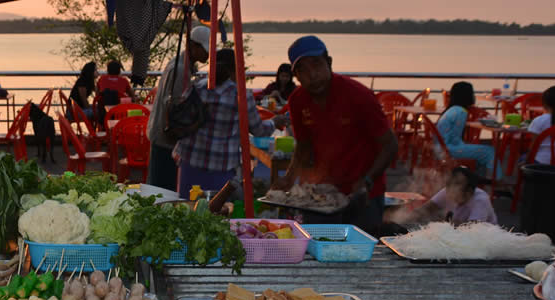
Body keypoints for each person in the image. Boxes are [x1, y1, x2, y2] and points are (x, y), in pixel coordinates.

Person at [276, 35, 397, 232]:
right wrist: (289, 178)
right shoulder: (297, 100)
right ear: (296, 76)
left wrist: (367, 180)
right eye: (302, 70)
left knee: (360, 251)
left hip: (363, 193)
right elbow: (304, 146)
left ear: (329, 63)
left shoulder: (359, 95)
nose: (312, 75)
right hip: (319, 194)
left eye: (316, 65)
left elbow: (390, 144)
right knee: (315, 248)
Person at [173, 48, 268, 198]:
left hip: (190, 162)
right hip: (221, 168)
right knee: (218, 214)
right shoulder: (241, 96)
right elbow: (259, 130)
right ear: (235, 70)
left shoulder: (197, 87)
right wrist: (275, 123)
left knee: (187, 210)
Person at [146, 25, 210, 190]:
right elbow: (176, 108)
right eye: (205, 49)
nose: (208, 54)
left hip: (160, 134)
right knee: (162, 190)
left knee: (159, 185)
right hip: (166, 139)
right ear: (194, 46)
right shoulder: (181, 70)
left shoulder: (179, 64)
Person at [435, 82, 494, 177]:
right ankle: (495, 180)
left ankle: (480, 177)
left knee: (480, 151)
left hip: (439, 148)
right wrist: (468, 148)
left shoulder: (452, 109)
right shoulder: (461, 112)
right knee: (489, 151)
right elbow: (455, 139)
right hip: (448, 150)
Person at [407, 166, 499, 226]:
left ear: (469, 191)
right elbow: (428, 208)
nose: (451, 194)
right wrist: (406, 216)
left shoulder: (481, 200)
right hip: (456, 234)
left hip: (483, 240)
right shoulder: (448, 190)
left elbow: (472, 228)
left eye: (458, 189)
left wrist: (439, 223)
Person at [527, 85, 555, 163]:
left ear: (544, 103)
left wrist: (526, 160)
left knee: (521, 159)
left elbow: (533, 147)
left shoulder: (538, 121)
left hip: (541, 161)